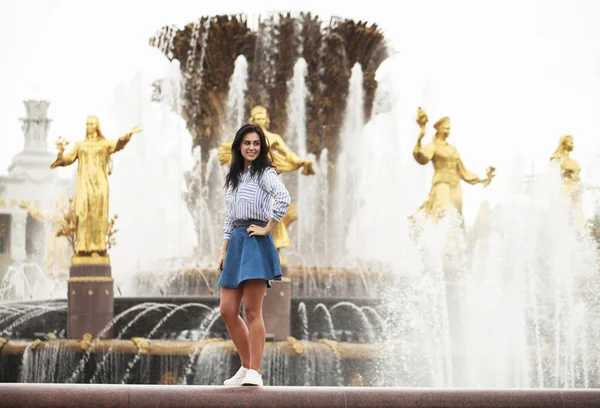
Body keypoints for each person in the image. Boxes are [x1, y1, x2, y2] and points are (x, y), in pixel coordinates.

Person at [217, 123, 291, 386]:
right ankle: (246, 365)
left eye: (256, 143)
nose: (251, 147)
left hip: (254, 240)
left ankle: (255, 371)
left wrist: (268, 228)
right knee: (227, 310)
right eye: (247, 143)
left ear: (261, 148)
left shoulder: (265, 173)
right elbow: (229, 217)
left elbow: (283, 197)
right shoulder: (235, 177)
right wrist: (223, 251)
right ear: (239, 146)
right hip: (236, 241)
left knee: (252, 310)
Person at [50, 116, 141, 259]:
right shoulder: (80, 145)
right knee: (81, 212)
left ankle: (97, 248)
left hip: (99, 184)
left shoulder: (104, 144)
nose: (88, 126)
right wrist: (61, 154)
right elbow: (68, 159)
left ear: (97, 126)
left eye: (91, 124)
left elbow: (117, 145)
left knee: (97, 214)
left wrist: (127, 136)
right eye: (86, 124)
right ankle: (82, 248)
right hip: (84, 183)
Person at [412, 107, 494, 219]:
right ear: (439, 129)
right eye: (445, 128)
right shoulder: (433, 146)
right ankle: (433, 232)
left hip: (455, 185)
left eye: (449, 128)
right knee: (442, 212)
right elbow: (422, 158)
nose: (448, 131)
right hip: (441, 184)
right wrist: (420, 136)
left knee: (457, 216)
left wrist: (481, 179)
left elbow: (462, 171)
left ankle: (456, 236)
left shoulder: (453, 149)